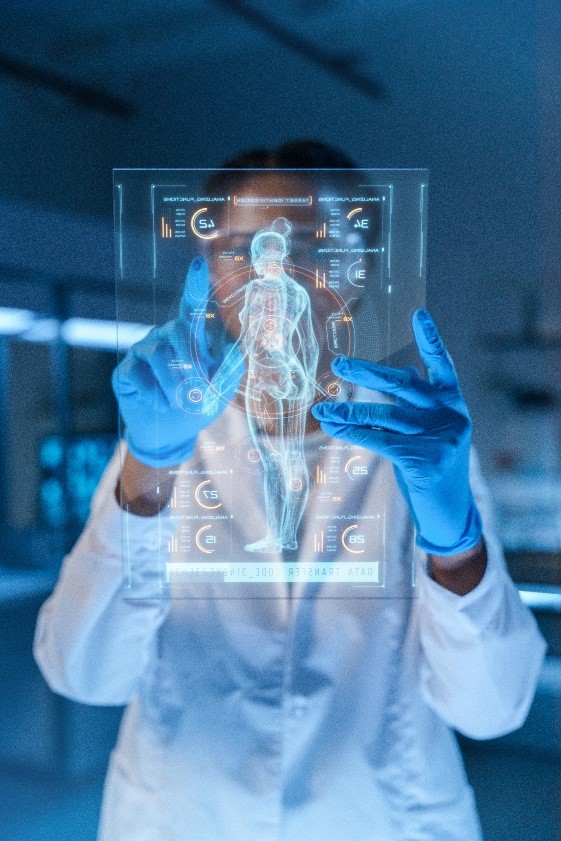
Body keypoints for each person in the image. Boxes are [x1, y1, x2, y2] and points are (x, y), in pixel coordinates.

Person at [33, 141, 546, 841]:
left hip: (379, 816)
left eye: (313, 242)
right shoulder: (164, 433)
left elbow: (490, 709)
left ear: (361, 267)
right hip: (185, 814)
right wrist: (150, 469)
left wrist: (454, 541)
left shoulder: (415, 442)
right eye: (242, 246)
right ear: (209, 270)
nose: (281, 269)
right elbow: (84, 672)